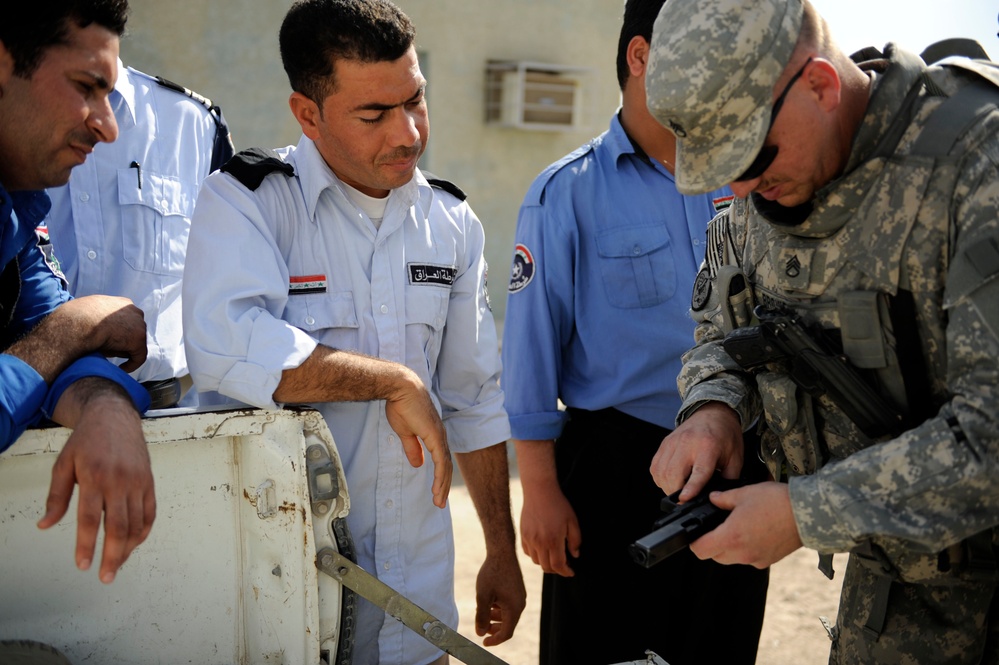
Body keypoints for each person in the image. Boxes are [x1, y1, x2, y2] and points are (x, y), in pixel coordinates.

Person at [645, 0, 999, 662]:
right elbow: (723, 335)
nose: (740, 184)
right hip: (890, 601)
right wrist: (713, 407)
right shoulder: (764, 191)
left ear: (819, 85)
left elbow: (991, 435)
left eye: (750, 155)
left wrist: (804, 511)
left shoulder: (978, 163)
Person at [181, 1, 525, 663]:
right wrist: (388, 382)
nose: (407, 133)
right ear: (307, 114)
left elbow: (473, 397)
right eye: (374, 114)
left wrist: (501, 553)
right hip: (280, 598)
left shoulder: (451, 223)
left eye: (415, 100)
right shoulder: (245, 202)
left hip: (415, 604)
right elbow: (225, 345)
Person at [500, 1, 770, 663]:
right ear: (641, 57)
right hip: (613, 473)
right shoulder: (565, 192)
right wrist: (538, 489)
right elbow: (529, 351)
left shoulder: (747, 179)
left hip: (735, 464)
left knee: (716, 648)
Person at [0, 0, 155, 586]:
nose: (108, 126)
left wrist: (108, 408)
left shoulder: (18, 200)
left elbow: (40, 335)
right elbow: (56, 334)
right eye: (88, 87)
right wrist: (77, 326)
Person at [43, 59, 235, 409]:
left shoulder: (192, 124)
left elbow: (230, 293)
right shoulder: (15, 116)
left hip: (166, 421)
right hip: (21, 419)